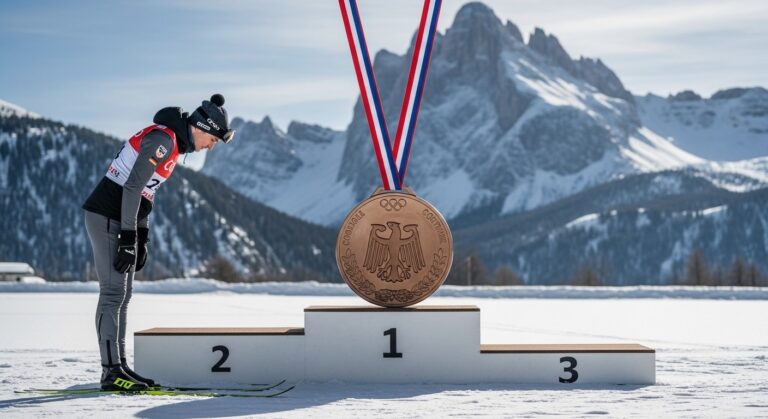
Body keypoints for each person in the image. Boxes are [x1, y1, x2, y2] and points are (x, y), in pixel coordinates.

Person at [82, 94, 235, 391]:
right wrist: (129, 236)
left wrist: (142, 236)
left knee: (123, 295)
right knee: (113, 293)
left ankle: (120, 366)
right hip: (105, 216)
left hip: (119, 219)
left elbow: (146, 196)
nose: (212, 145)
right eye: (214, 139)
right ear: (202, 128)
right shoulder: (163, 141)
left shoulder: (173, 147)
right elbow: (131, 187)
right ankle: (110, 371)